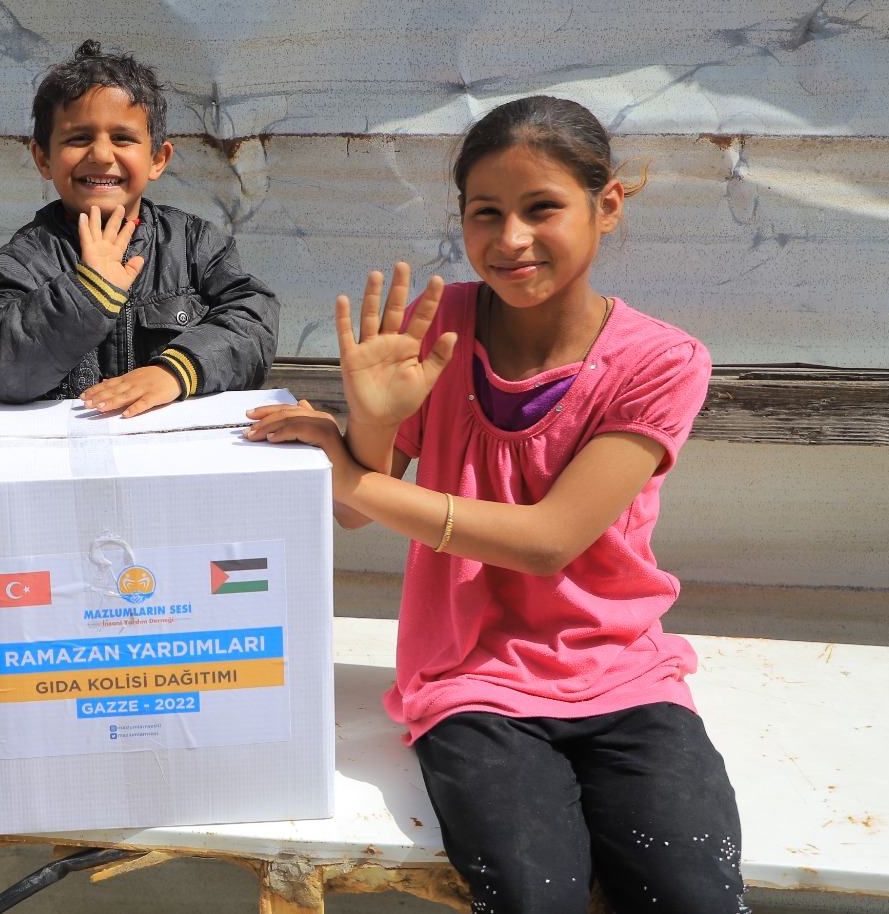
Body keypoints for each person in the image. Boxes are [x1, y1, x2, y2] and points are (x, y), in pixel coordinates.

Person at [245, 96, 747, 912]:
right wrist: (371, 420)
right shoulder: (437, 328)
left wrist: (351, 474)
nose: (510, 239)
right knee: (530, 895)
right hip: (470, 684)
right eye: (486, 213)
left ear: (607, 205)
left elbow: (549, 541)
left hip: (624, 677)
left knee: (692, 892)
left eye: (541, 208)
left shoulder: (661, 361)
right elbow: (355, 513)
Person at [0, 39, 278, 416]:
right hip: (68, 449)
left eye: (122, 138)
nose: (102, 155)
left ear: (157, 159)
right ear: (43, 158)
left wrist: (175, 371)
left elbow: (254, 319)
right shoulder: (24, 261)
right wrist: (86, 294)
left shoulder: (195, 244)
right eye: (78, 138)